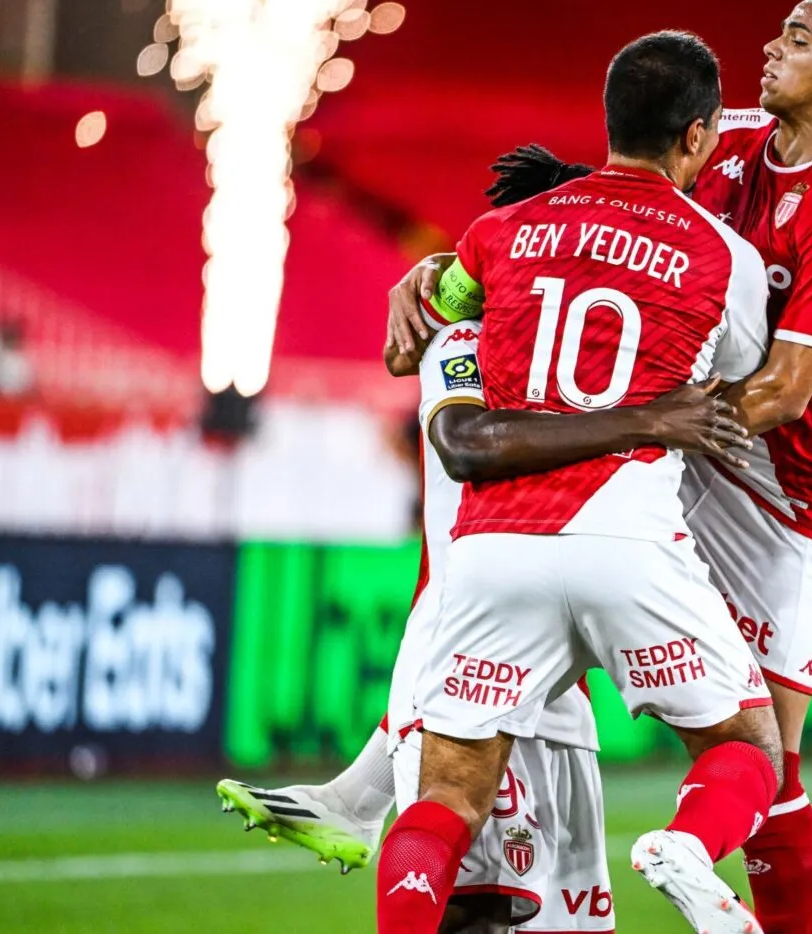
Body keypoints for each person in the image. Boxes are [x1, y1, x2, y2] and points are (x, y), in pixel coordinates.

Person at [388, 4, 812, 932]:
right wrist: (433, 271)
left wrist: (473, 294)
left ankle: (484, 848)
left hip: (794, 496)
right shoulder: (730, 137)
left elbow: (785, 392)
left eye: (800, 37)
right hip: (679, 458)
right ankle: (616, 857)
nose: (772, 45)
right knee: (747, 751)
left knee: (773, 764)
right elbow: (609, 194)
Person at [219, 329, 753, 934]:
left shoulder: (569, 333)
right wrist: (649, 420)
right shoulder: (471, 333)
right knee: (479, 900)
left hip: (548, 672)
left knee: (550, 913)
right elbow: (463, 442)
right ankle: (356, 800)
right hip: (482, 630)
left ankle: (356, 799)